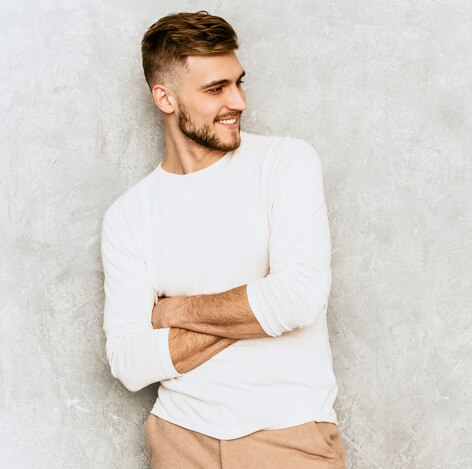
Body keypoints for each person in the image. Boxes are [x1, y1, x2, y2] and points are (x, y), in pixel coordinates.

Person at [100, 10, 346, 469]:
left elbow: (299, 299)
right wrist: (255, 305)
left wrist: (175, 311)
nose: (238, 102)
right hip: (178, 439)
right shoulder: (129, 216)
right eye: (215, 89)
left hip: (289, 437)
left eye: (238, 82)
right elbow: (130, 362)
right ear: (165, 98)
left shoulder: (285, 163)